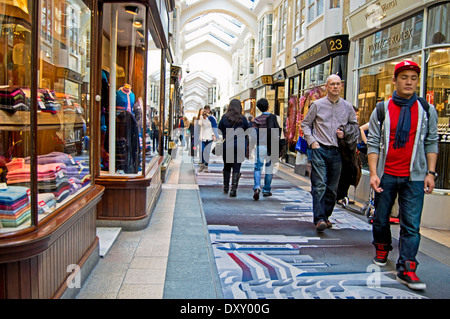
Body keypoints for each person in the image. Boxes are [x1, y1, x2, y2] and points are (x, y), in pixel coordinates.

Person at [367, 60, 439, 290]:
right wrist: (374, 174)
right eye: (404, 77)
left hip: (414, 177)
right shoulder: (382, 109)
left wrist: (430, 172)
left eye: (413, 78)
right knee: (380, 217)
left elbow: (431, 141)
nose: (409, 82)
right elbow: (373, 143)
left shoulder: (426, 110)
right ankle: (382, 246)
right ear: (395, 80)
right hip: (386, 174)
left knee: (411, 224)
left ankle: (407, 267)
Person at [301, 74, 357, 232]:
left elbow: (354, 126)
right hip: (320, 149)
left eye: (338, 84)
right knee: (319, 185)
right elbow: (305, 125)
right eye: (332, 84)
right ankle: (319, 219)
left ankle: (325, 216)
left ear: (341, 86)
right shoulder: (317, 105)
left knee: (332, 188)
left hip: (338, 151)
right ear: (326, 86)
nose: (335, 87)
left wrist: (345, 133)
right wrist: (312, 141)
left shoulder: (347, 107)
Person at [218, 99, 250, 197]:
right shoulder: (243, 119)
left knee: (227, 166)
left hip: (227, 145)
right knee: (237, 168)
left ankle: (226, 186)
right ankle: (233, 190)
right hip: (239, 146)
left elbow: (219, 130)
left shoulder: (224, 118)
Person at [251, 98, 281, 200]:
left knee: (258, 167)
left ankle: (257, 187)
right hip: (272, 146)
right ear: (268, 106)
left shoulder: (257, 120)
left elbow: (253, 135)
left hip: (261, 146)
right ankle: (266, 190)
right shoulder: (274, 118)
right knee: (269, 168)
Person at [198, 105, 219, 172]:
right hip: (203, 137)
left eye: (207, 110)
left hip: (209, 137)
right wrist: (201, 116)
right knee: (202, 151)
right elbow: (199, 124)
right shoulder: (202, 118)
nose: (206, 111)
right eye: (205, 110)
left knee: (207, 152)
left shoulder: (212, 118)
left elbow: (214, 127)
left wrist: (214, 135)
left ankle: (206, 166)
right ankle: (202, 164)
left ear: (209, 110)